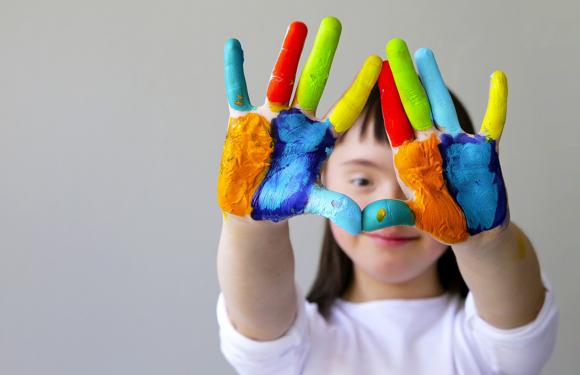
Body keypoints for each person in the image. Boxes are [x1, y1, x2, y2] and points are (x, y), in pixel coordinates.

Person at [216, 17, 558, 375]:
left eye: (425, 184)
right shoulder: (293, 344)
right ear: (320, 179)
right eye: (363, 179)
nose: (390, 204)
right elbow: (258, 311)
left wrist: (486, 243)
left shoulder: (486, 343)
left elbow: (516, 316)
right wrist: (249, 224)